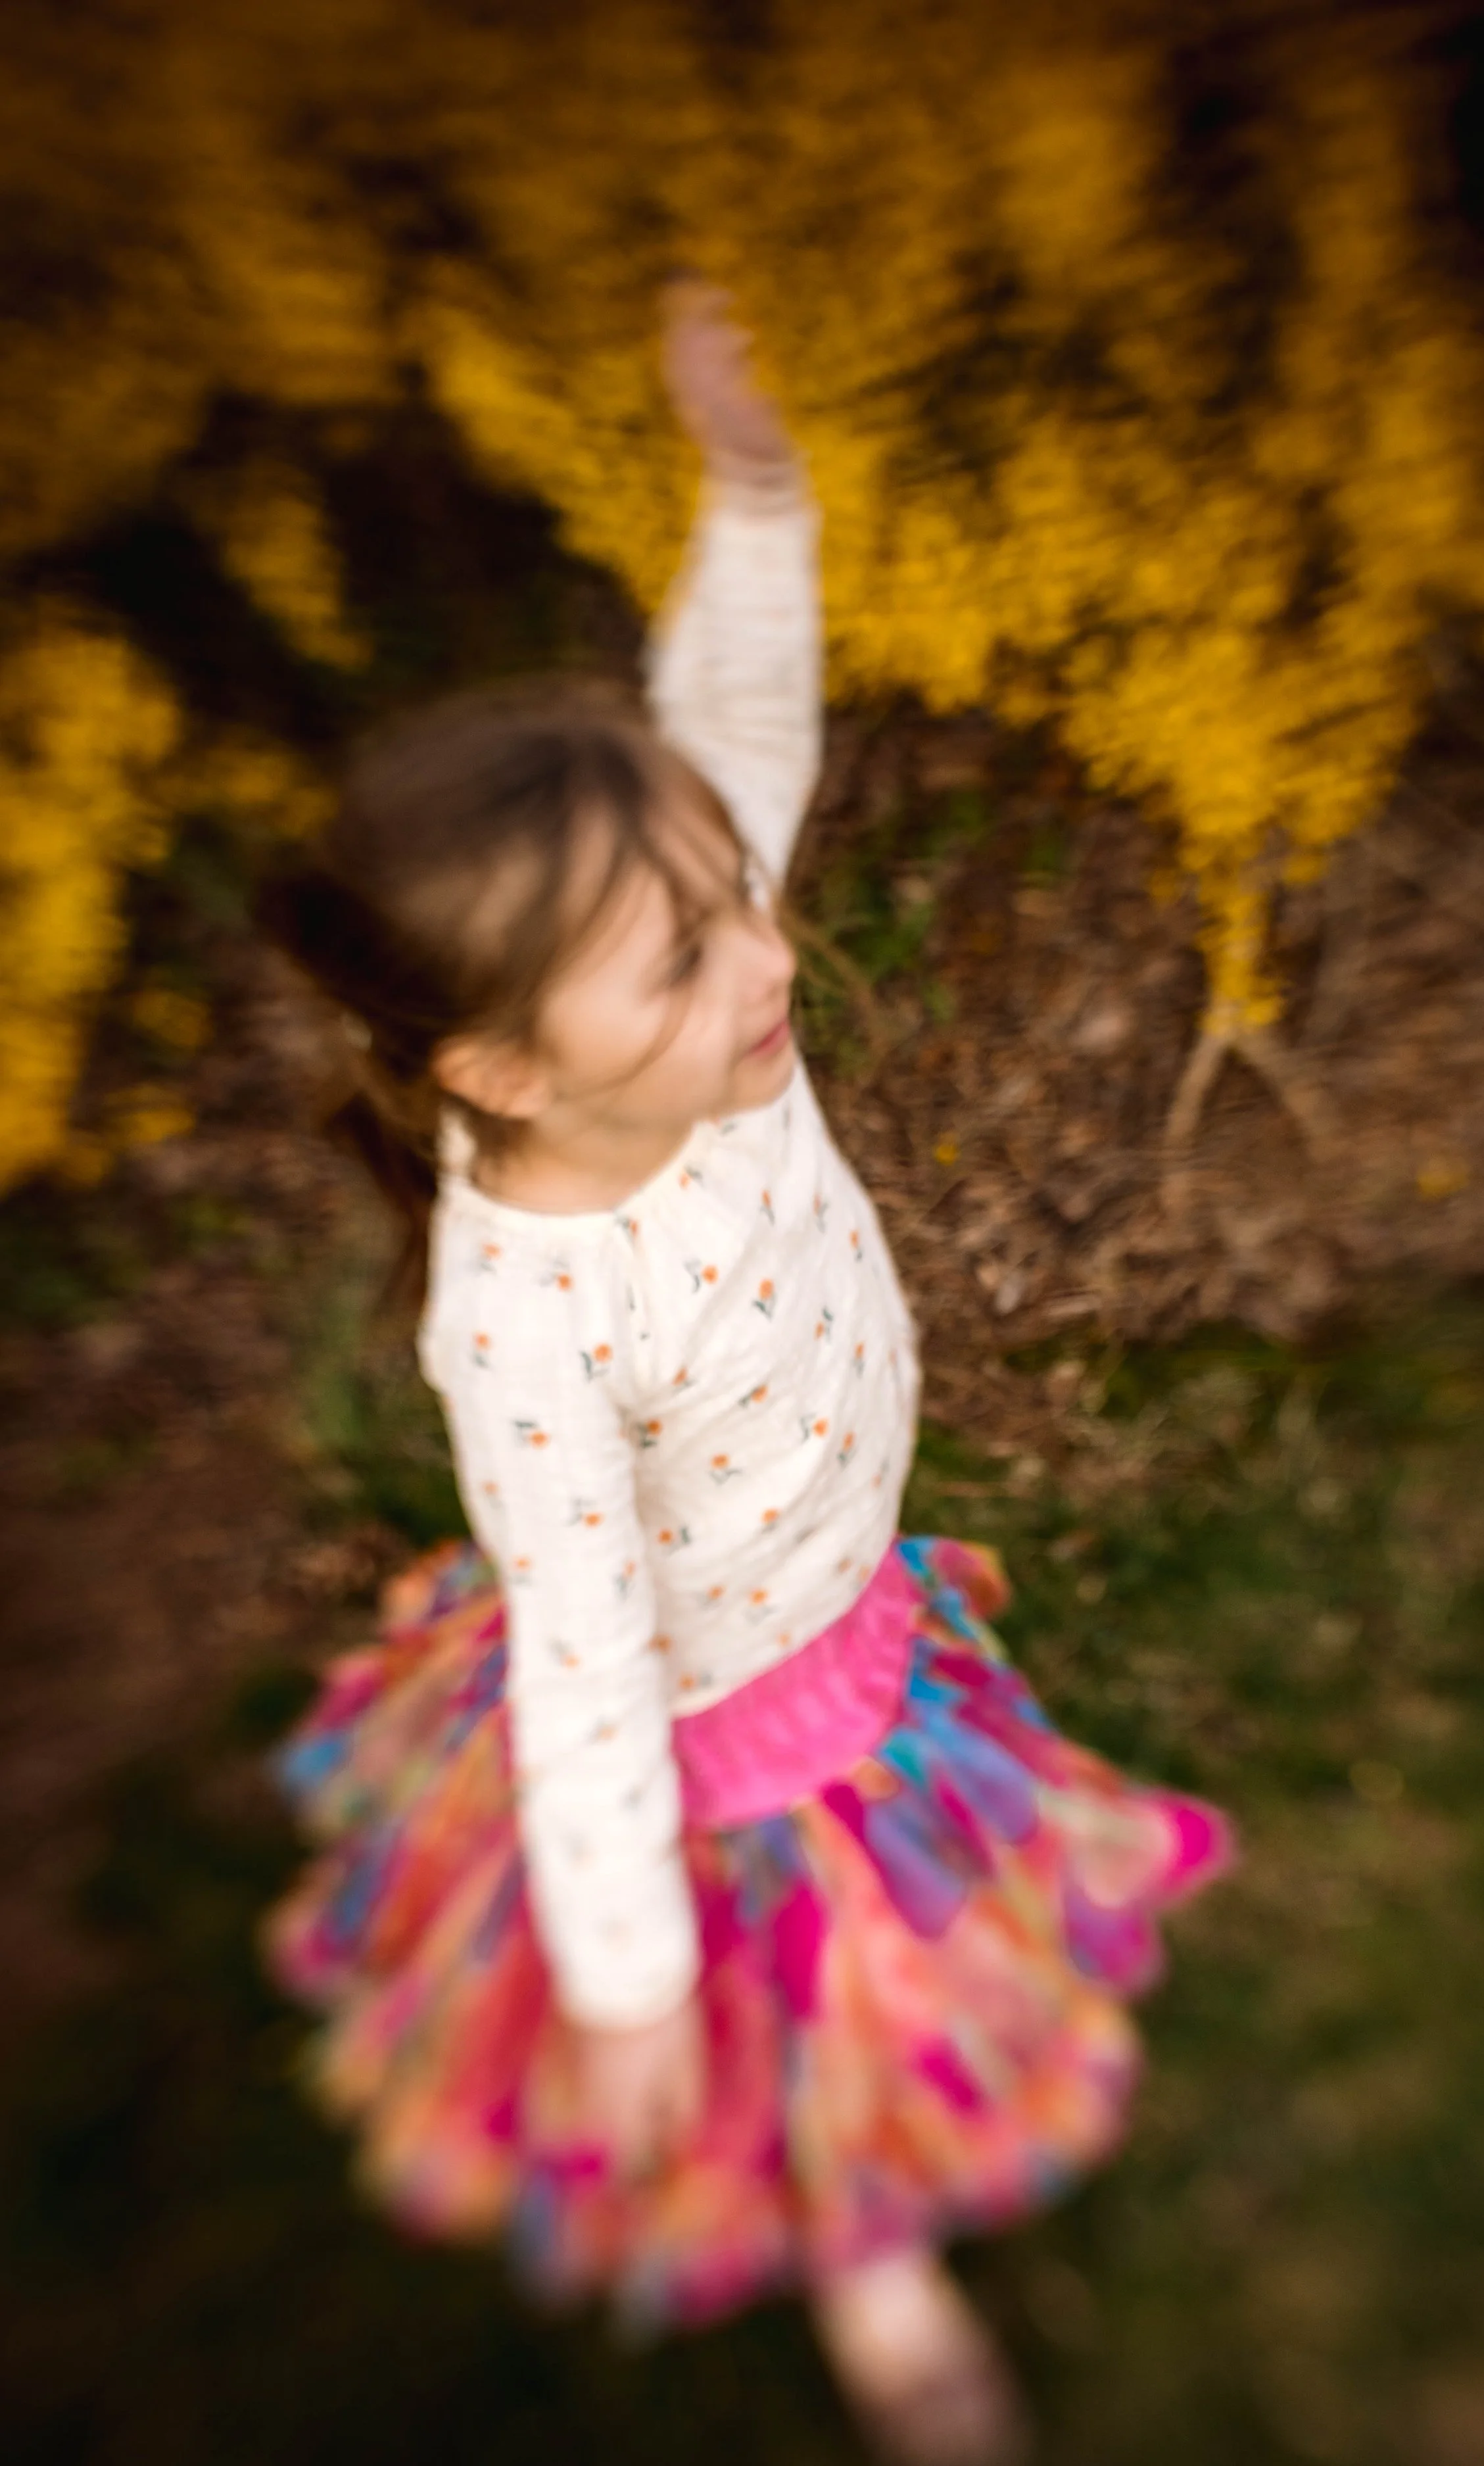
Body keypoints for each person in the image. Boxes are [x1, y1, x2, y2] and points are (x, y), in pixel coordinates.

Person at [258, 279, 1233, 2466]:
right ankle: (859, 2253)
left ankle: (861, 2216)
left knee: (900, 1954)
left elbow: (737, 732)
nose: (773, 949)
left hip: (842, 1603)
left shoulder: (683, 1027)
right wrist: (620, 1983)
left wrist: (758, 495)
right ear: (502, 1065)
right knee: (815, 2021)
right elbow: (587, 1668)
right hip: (724, 1761)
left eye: (732, 896)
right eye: (691, 945)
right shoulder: (523, 1326)